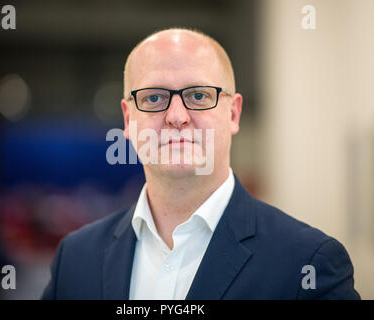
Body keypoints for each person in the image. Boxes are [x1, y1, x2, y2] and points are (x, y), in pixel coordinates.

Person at [41, 28, 360, 300]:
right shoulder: (75, 258)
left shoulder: (309, 263)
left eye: (198, 96)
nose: (177, 117)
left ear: (233, 114)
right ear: (128, 118)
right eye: (153, 98)